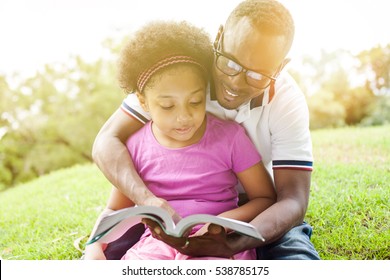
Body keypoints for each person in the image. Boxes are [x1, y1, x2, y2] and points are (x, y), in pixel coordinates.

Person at [91, 0, 320, 260]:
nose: (235, 82)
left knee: (294, 255)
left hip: (255, 213)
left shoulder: (287, 103)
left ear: (279, 68)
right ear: (219, 38)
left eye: (256, 75)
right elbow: (106, 141)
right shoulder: (178, 73)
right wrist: (145, 199)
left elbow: (292, 200)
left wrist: (234, 240)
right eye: (231, 64)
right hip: (167, 214)